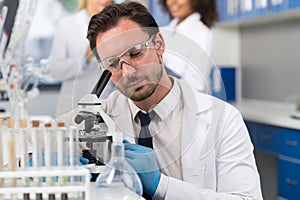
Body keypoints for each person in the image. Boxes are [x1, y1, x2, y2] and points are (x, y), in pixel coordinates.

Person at [60, 1, 262, 199]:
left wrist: (160, 185)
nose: (128, 72)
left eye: (135, 53)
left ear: (159, 44)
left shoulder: (223, 119)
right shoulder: (98, 116)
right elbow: (35, 136)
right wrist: (49, 157)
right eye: (113, 64)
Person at [48, 0, 112, 116]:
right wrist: (86, 56)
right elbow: (55, 70)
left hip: (109, 104)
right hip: (75, 104)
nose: (104, 0)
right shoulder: (67, 24)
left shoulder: (117, 25)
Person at [158, 0, 219, 93]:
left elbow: (196, 85)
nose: (172, 2)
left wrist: (160, 72)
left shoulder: (202, 34)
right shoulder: (164, 31)